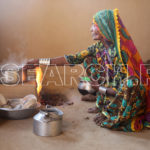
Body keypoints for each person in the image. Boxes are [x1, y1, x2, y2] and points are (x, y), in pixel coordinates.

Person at [24, 9, 150, 131]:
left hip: (132, 94)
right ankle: (103, 106)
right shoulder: (98, 47)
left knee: (131, 83)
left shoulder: (121, 53)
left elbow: (121, 89)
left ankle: (112, 113)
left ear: (104, 27)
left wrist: (98, 88)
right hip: (112, 87)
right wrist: (39, 61)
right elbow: (71, 59)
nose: (91, 29)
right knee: (88, 59)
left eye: (94, 25)